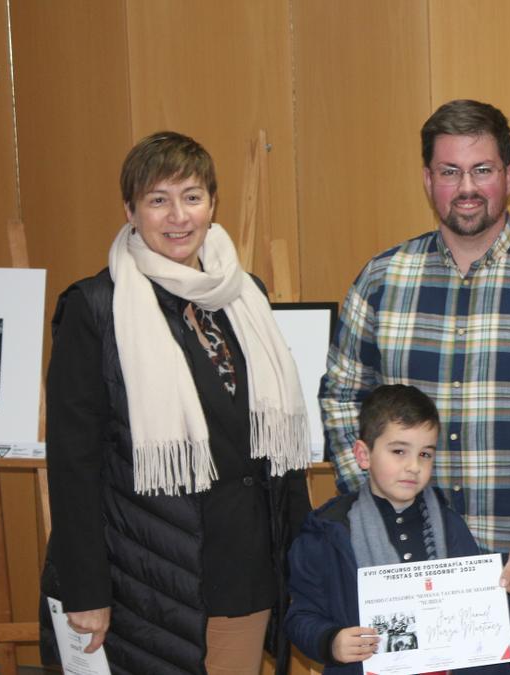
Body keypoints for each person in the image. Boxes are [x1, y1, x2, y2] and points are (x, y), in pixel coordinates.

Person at [319, 99, 510, 672]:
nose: (466, 187)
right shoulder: (381, 280)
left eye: (482, 170)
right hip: (403, 573)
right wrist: (377, 509)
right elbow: (342, 399)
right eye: (449, 172)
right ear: (428, 180)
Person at [39, 131, 313, 674]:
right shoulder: (96, 309)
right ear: (131, 210)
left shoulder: (243, 295)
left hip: (244, 569)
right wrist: (86, 590)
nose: (177, 216)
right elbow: (73, 464)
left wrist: (298, 564)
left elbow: (273, 454)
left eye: (191, 196)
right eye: (157, 200)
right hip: (144, 578)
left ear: (213, 205)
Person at [285, 385, 483, 673]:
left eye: (425, 454)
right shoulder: (328, 531)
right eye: (399, 451)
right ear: (364, 455)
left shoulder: (450, 525)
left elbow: (476, 612)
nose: (413, 466)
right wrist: (331, 641)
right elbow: (300, 616)